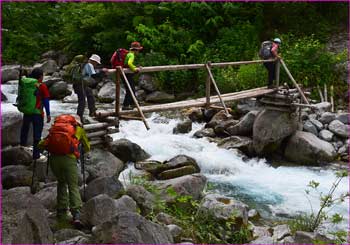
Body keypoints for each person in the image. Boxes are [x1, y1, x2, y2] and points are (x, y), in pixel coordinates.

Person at [39, 114, 90, 227]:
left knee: (61, 183)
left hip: (54, 160)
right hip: (69, 160)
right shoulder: (78, 129)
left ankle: (61, 211)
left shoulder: (55, 129)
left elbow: (41, 145)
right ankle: (76, 215)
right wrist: (79, 149)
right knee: (73, 186)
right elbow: (87, 147)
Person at [20, 68, 51, 160]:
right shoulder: (41, 86)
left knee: (25, 130)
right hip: (37, 113)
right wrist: (48, 114)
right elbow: (46, 101)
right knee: (37, 134)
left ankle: (21, 149)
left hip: (27, 111)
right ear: (40, 76)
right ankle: (36, 155)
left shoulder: (26, 84)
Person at [73, 54, 103, 121]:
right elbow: (94, 75)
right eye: (97, 63)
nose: (96, 65)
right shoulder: (89, 65)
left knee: (89, 94)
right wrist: (103, 73)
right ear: (94, 61)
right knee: (82, 101)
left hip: (78, 84)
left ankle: (92, 112)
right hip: (80, 84)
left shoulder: (83, 64)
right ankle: (79, 117)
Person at [123, 41, 143, 110]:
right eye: (138, 50)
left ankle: (132, 103)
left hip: (125, 73)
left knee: (132, 89)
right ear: (136, 50)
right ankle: (125, 106)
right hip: (126, 74)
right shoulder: (132, 55)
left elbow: (128, 64)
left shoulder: (129, 54)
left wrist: (135, 67)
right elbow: (129, 63)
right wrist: (135, 70)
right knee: (130, 89)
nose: (139, 52)